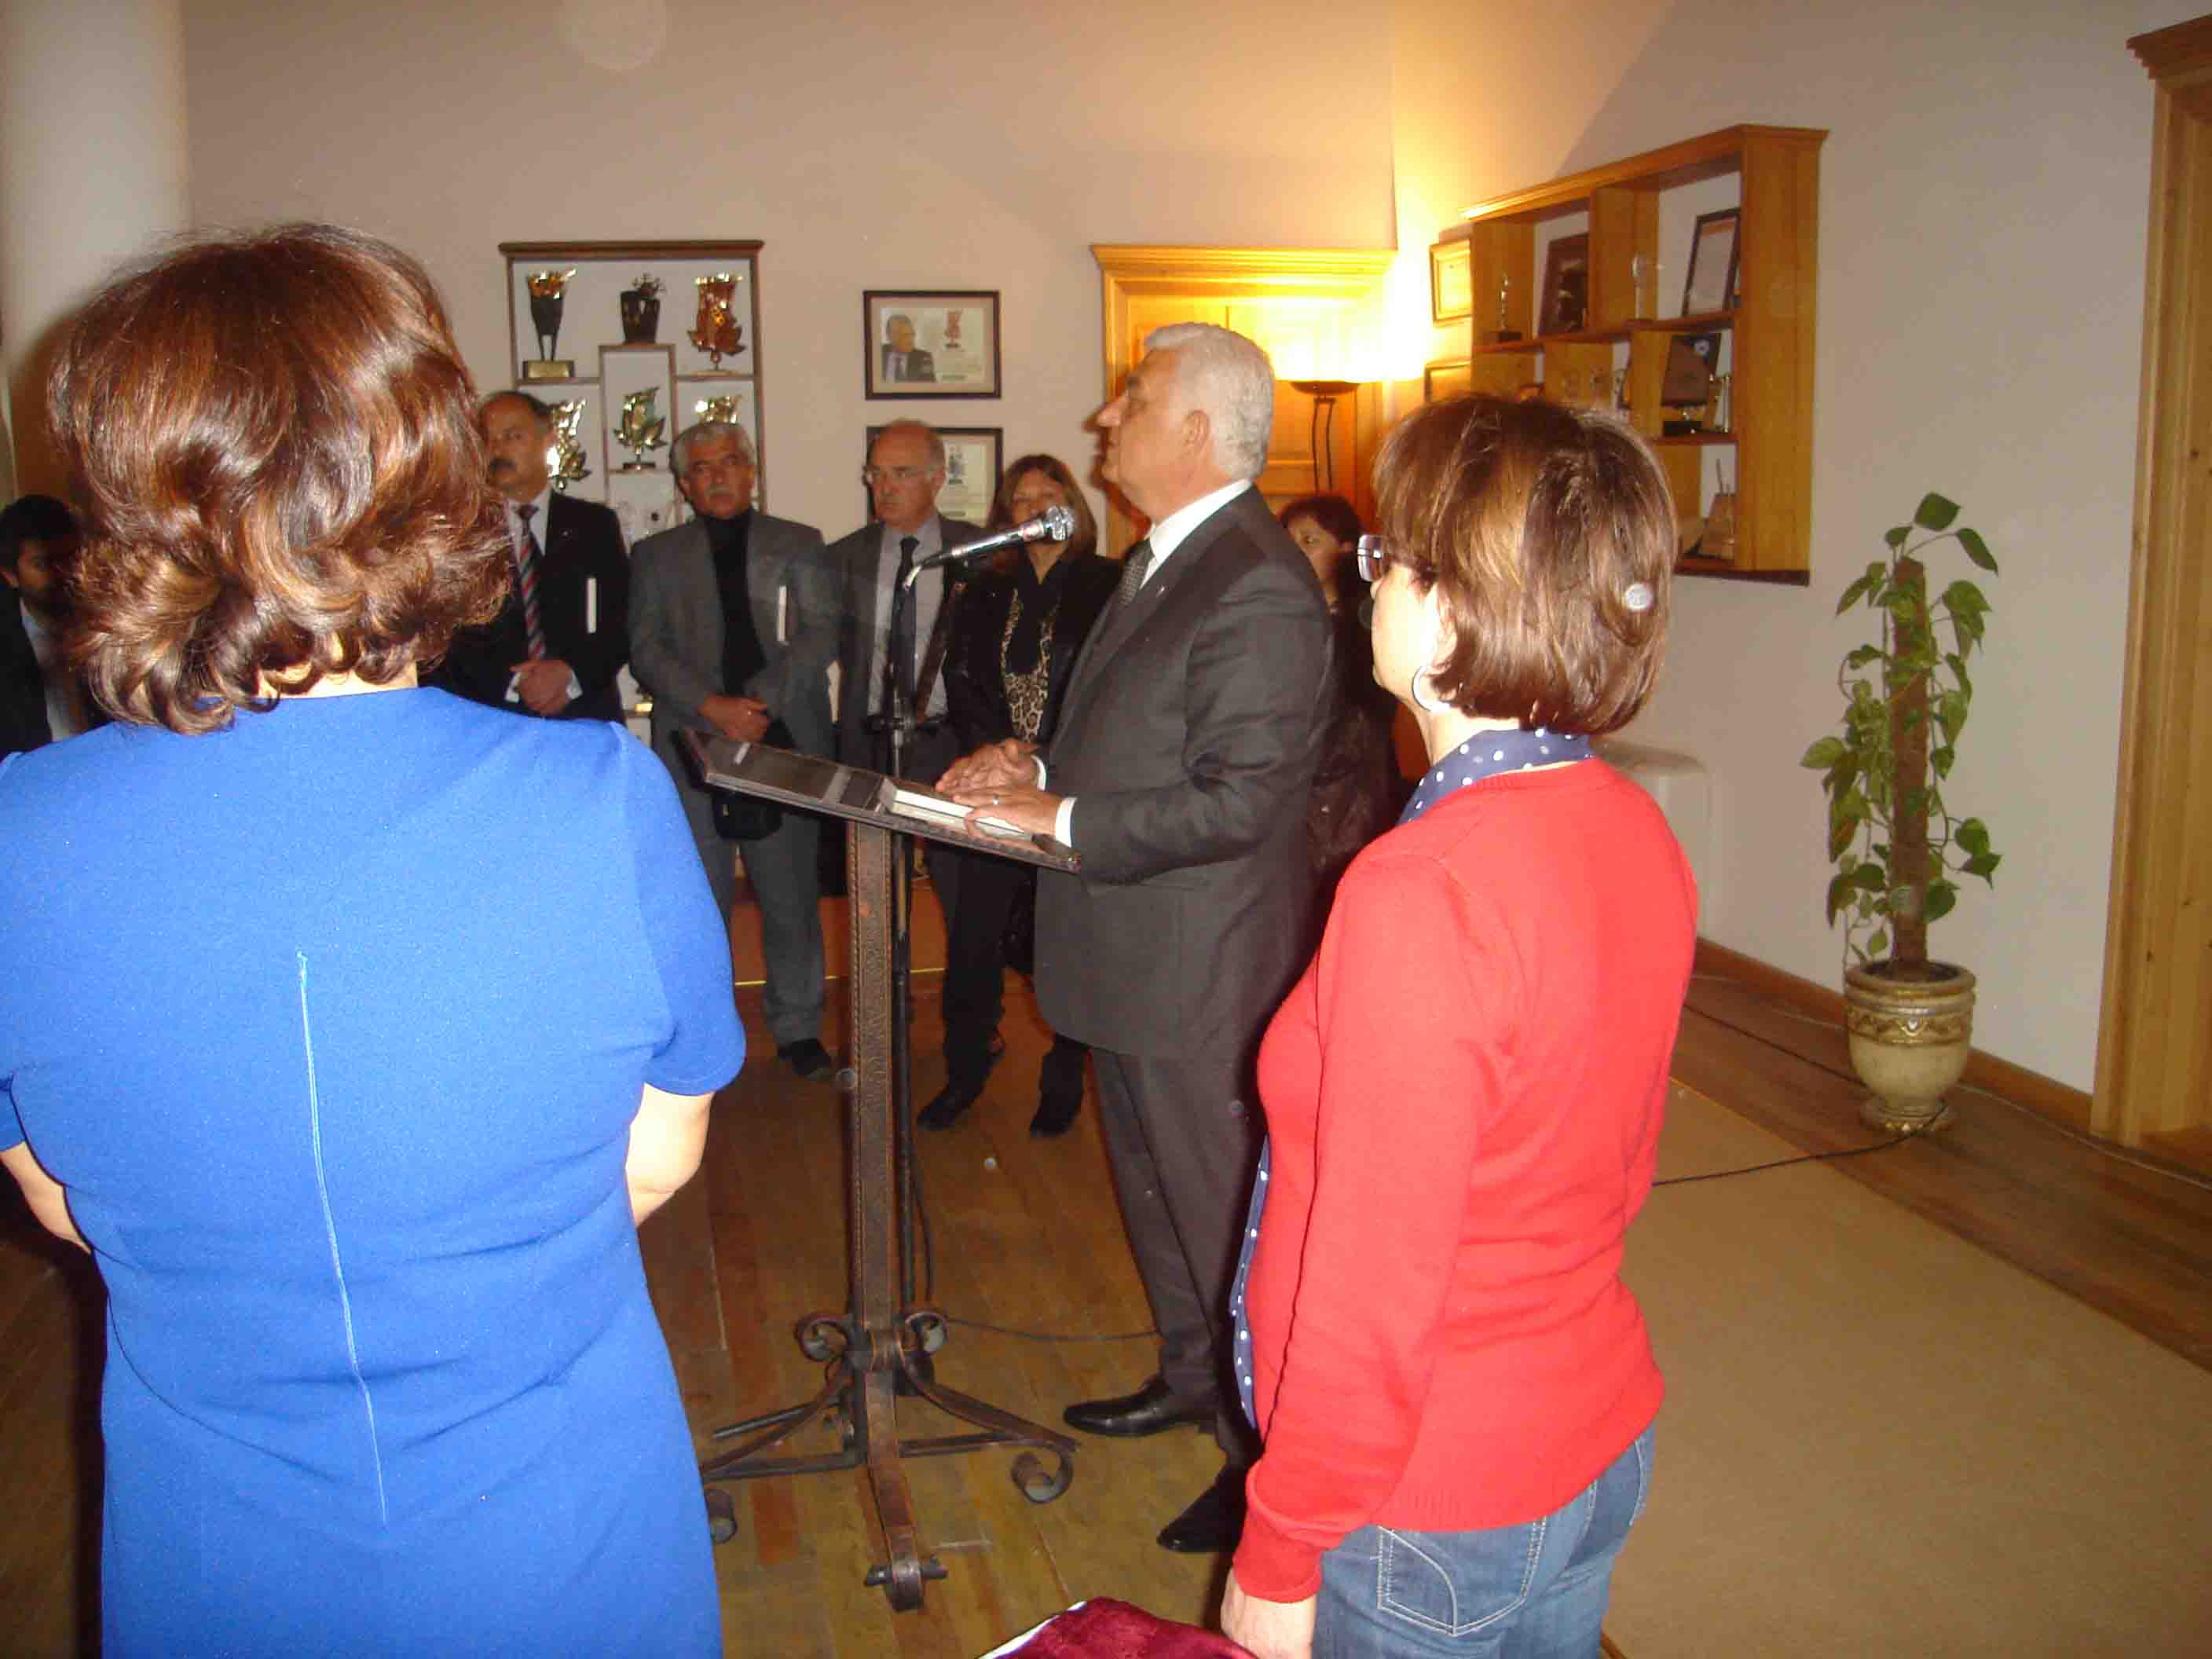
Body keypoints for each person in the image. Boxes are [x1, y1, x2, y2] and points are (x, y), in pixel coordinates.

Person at [0, 225, 742, 1656]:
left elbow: (62, 1199)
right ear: (424, 477)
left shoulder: (19, 834)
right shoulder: (596, 798)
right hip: (555, 1511)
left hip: (217, 1538)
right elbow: (653, 1161)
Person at [1220, 394, 1697, 1659]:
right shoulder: (1629, 823)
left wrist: (1281, 1545)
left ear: (1447, 613)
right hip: (1590, 1432)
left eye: (1387, 557)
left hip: (1431, 1502)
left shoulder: (1422, 891)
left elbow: (1371, 1283)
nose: (1364, 580)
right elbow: (1619, 1165)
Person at [939, 323, 1331, 1553]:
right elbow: (1138, 740)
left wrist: (1060, 816)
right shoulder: (1167, 556)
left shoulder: (1258, 582)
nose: (1108, 418)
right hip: (1132, 950)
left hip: (1199, 968)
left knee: (1222, 1220)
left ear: (1199, 431)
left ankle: (1263, 1462)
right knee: (1158, 1203)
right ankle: (1192, 1378)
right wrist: (1035, 766)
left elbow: (1242, 800)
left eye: (1135, 399)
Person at [632, 419, 839, 1082]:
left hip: (783, 735)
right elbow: (645, 649)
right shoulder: (655, 556)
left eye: (730, 462)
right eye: (702, 468)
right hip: (693, 744)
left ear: (751, 471)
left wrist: (758, 702)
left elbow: (822, 633)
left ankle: (798, 1027)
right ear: (685, 485)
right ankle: (705, 1035)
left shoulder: (800, 543)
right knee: (700, 898)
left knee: (789, 893)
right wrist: (713, 707)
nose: (718, 476)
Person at [925, 455, 1119, 1136]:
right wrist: (999, 752)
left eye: (1048, 494)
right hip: (994, 779)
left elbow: (1108, 689)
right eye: (1022, 498)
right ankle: (964, 1071)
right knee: (973, 937)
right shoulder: (982, 588)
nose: (1035, 507)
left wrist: (1040, 756)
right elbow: (962, 680)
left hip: (1070, 782)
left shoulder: (1110, 584)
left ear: (1074, 505)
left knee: (1064, 939)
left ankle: (1063, 1078)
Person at [833, 419, 982, 906]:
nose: (884, 487)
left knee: (962, 892)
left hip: (951, 742)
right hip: (872, 741)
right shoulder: (845, 557)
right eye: (875, 474)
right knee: (876, 896)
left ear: (937, 479)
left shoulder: (977, 552)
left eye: (900, 473)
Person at [430, 390, 631, 722]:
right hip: (490, 716)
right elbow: (445, 637)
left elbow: (621, 622)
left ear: (548, 438)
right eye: (487, 439)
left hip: (584, 714)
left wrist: (570, 676)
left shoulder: (594, 526)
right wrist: (515, 684)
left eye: (512, 436)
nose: (498, 450)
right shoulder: (461, 535)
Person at [1278, 493, 1403, 917]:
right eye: (1289, 542)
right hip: (1293, 799)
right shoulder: (1278, 622)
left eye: (1310, 541)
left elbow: (1360, 724)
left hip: (1347, 797)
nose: (1295, 552)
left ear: (1346, 549)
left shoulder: (1365, 626)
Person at [0, 493, 93, 753]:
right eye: (42, 564)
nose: (61, 574)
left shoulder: (106, 625)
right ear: (10, 575)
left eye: (69, 559)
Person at [881, 313, 936, 383]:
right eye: (905, 335)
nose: (911, 340)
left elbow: (929, 387)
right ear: (889, 336)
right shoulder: (877, 353)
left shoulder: (925, 358)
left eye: (912, 334)